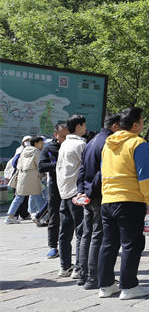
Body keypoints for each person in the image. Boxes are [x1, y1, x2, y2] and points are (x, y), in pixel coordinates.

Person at [96, 107, 149, 300]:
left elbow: (104, 173)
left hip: (108, 200)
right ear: (136, 124)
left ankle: (105, 286)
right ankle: (128, 287)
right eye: (142, 121)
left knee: (108, 244)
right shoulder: (138, 143)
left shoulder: (108, 144)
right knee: (132, 244)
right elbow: (145, 175)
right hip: (130, 199)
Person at [75, 114, 120, 289]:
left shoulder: (91, 141)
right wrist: (92, 192)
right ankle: (93, 277)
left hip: (87, 193)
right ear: (115, 126)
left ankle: (83, 274)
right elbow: (102, 172)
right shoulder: (109, 142)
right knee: (98, 235)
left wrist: (82, 191)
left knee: (87, 234)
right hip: (99, 194)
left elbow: (82, 169)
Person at [56, 114, 87, 279]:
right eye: (84, 124)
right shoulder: (81, 145)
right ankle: (79, 268)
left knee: (65, 232)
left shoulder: (65, 144)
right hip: (77, 193)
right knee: (81, 232)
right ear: (79, 126)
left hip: (65, 192)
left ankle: (65, 266)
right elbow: (86, 168)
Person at [36, 123, 68, 258]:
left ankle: (68, 246)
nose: (65, 139)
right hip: (55, 187)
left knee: (70, 219)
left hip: (72, 187)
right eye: (62, 136)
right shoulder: (49, 149)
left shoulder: (74, 147)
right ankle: (53, 246)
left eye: (68, 136)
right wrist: (60, 164)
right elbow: (42, 166)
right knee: (54, 217)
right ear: (55, 135)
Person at [5, 136, 46, 223]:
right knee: (38, 196)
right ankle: (44, 216)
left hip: (22, 176)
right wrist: (43, 175)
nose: (43, 144)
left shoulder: (23, 151)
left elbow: (17, 163)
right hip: (32, 176)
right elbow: (39, 165)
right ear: (36, 143)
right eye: (41, 143)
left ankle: (9, 216)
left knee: (18, 197)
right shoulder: (36, 152)